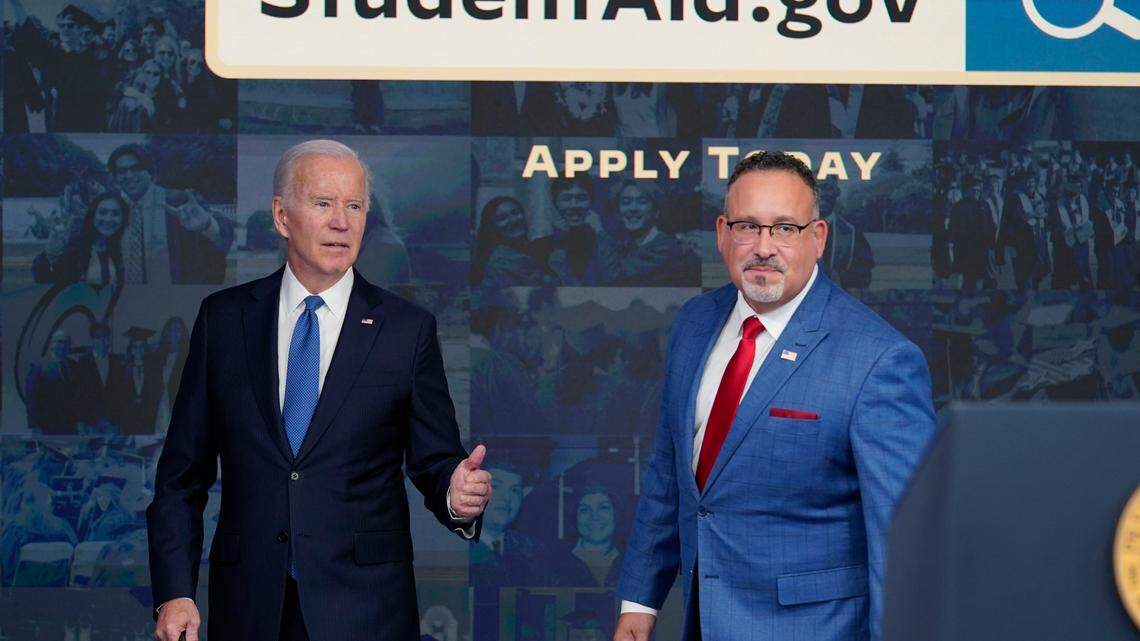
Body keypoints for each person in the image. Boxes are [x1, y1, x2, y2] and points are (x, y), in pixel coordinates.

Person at [147, 139, 492, 641]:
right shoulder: (224, 321)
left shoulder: (406, 329)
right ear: (282, 215)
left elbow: (434, 459)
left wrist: (457, 497)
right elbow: (181, 476)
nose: (342, 221)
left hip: (367, 611)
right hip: (250, 609)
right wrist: (175, 592)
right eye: (324, 203)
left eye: (354, 206)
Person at [613, 152, 936, 641]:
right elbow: (669, 473)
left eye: (785, 228)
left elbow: (905, 541)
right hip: (703, 624)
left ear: (818, 238)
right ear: (723, 233)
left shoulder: (880, 359)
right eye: (748, 227)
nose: (764, 247)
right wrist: (639, 602)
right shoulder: (693, 324)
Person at [108, 143, 235, 284]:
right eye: (121, 171)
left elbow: (226, 232)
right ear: (115, 177)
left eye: (136, 168)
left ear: (149, 172)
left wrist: (207, 225)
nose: (129, 175)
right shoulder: (114, 210)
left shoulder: (178, 200)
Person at [598, 181, 699, 286]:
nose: (633, 208)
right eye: (626, 202)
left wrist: (599, 232)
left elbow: (616, 277)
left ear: (656, 211)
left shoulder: (664, 247)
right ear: (618, 212)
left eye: (642, 202)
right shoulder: (624, 245)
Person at [32, 192, 130, 287]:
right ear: (92, 215)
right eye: (102, 212)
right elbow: (45, 281)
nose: (108, 219)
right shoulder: (76, 249)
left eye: (115, 214)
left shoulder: (124, 251)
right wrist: (48, 255)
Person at [472, 195, 558, 288]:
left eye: (516, 213)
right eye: (502, 218)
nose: (513, 220)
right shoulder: (501, 262)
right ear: (492, 227)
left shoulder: (532, 250)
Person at [25, 329, 80, 434]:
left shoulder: (74, 366)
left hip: (69, 427)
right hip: (46, 427)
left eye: (66, 342)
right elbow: (31, 399)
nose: (62, 345)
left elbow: (78, 396)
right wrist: (34, 426)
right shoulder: (38, 367)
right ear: (51, 344)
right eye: (58, 341)